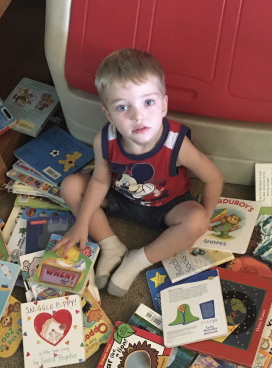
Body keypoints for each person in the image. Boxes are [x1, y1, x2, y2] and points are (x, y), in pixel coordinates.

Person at [52, 48, 223, 297]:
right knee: (70, 185)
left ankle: (136, 259)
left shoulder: (175, 143)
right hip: (120, 196)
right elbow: (100, 180)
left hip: (168, 206)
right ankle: (111, 245)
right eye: (123, 107)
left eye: (148, 102)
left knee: (196, 221)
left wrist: (204, 219)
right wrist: (82, 223)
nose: (137, 115)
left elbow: (213, 178)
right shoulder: (105, 139)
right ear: (108, 115)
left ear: (164, 104)